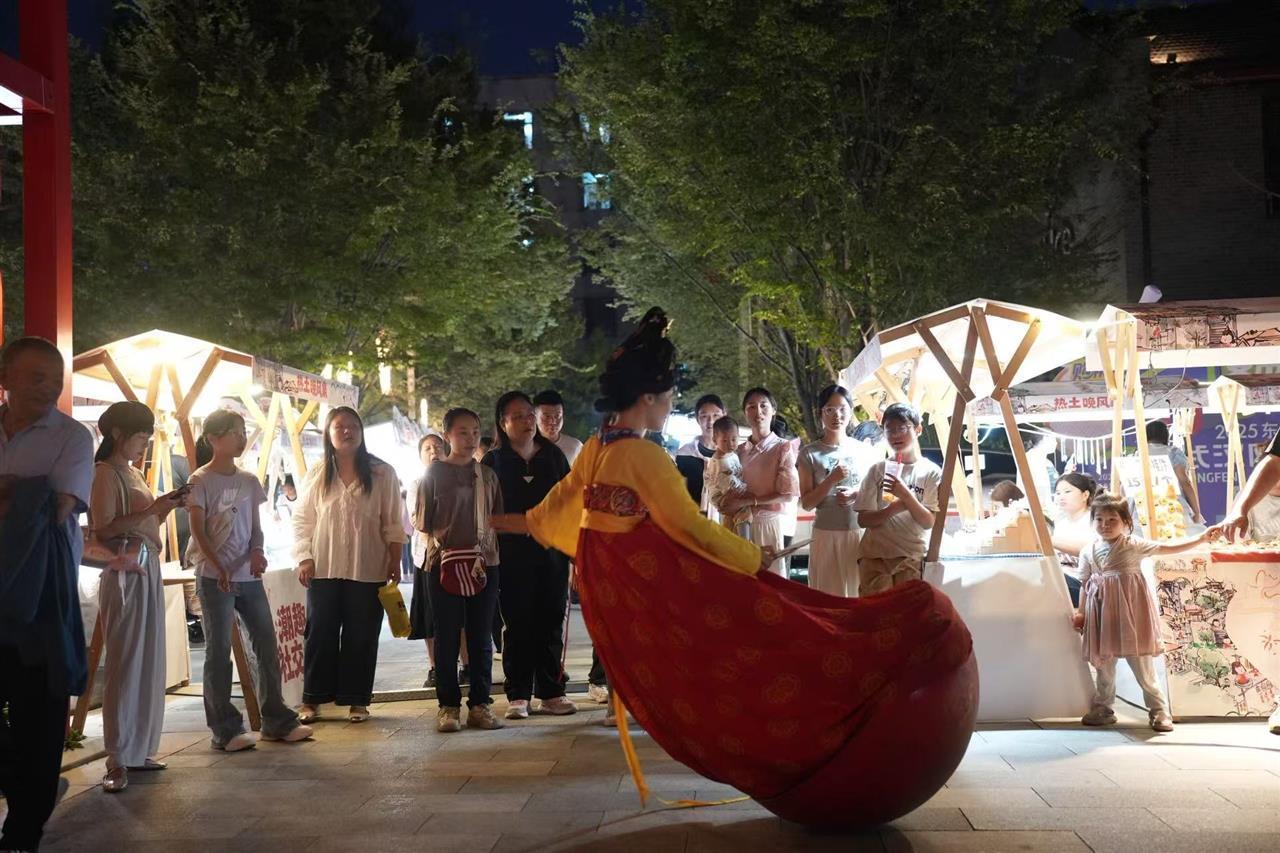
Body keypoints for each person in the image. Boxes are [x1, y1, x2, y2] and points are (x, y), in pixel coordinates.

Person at [487, 308, 976, 827]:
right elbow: (690, 528)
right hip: (653, 581)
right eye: (668, 394)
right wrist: (749, 558)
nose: (671, 403)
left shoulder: (597, 446)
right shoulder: (645, 457)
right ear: (648, 398)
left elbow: (560, 505)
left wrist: (515, 521)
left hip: (616, 586)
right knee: (763, 635)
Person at [0, 337, 94, 849]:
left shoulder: (72, 436)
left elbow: (58, 509)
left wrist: (19, 495)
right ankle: (29, 788)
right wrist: (21, 492)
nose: (47, 387)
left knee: (39, 715)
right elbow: (31, 502)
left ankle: (22, 831)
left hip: (41, 597)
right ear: (5, 379)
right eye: (36, 377)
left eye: (54, 380)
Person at [186, 410, 312, 752]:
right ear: (213, 439)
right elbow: (197, 530)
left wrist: (257, 550)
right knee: (218, 652)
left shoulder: (248, 480)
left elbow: (256, 526)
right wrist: (219, 566)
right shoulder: (200, 480)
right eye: (234, 432)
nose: (242, 438)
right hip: (214, 578)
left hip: (249, 575)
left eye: (243, 431)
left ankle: (277, 720)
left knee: (266, 643)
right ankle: (224, 729)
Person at [90, 401, 185, 793]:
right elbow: (104, 528)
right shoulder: (105, 472)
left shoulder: (130, 472)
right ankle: (117, 757)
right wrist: (156, 507)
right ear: (118, 433)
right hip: (125, 568)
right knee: (126, 662)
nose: (145, 442)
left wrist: (163, 509)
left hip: (145, 564)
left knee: (148, 660)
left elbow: (145, 521)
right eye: (140, 435)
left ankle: (138, 748)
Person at [293, 406, 406, 725]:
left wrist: (394, 559)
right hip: (324, 568)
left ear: (361, 431)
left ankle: (358, 700)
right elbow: (302, 519)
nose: (347, 431)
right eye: (339, 426)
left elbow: (393, 521)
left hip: (368, 568)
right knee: (319, 633)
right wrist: (304, 556)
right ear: (328, 434)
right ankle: (313, 699)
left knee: (362, 634)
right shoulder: (318, 472)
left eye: (353, 425)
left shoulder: (382, 472)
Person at [1072, 493, 1211, 732]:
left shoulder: (1133, 545)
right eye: (1099, 519)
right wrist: (1082, 613)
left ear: (1125, 522)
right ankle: (1103, 708)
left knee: (1143, 668)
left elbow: (1167, 548)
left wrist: (1201, 538)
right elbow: (1085, 583)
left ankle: (1159, 711)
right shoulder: (1088, 550)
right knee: (1104, 667)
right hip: (1101, 616)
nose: (1105, 525)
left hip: (1131, 616)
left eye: (1112, 520)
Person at [485, 392, 576, 720]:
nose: (527, 421)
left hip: (552, 553)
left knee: (551, 620)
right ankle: (518, 694)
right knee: (517, 622)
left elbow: (570, 503)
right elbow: (486, 512)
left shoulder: (553, 456)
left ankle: (551, 693)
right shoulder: (493, 462)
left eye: (528, 415)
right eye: (518, 416)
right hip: (510, 556)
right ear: (502, 422)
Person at [416, 408, 505, 733]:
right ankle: (448, 706)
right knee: (447, 635)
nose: (470, 438)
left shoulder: (487, 475)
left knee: (481, 636)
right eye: (462, 432)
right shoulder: (433, 474)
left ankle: (480, 705)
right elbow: (422, 522)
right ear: (447, 436)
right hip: (442, 563)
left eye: (475, 431)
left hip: (484, 563)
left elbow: (497, 518)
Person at [798, 385, 877, 597]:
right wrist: (831, 479)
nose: (837, 415)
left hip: (858, 533)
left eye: (842, 409)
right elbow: (807, 503)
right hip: (825, 535)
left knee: (858, 594)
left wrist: (855, 494)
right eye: (830, 409)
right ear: (820, 414)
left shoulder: (865, 451)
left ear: (850, 411)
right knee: (827, 597)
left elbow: (876, 492)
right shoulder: (809, 453)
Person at [855, 402, 943, 594]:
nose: (895, 435)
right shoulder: (877, 470)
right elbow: (863, 519)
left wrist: (906, 496)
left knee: (907, 610)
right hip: (874, 556)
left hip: (911, 557)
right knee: (876, 611)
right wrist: (893, 508)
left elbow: (928, 522)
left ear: (918, 429)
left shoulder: (930, 472)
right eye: (889, 429)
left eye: (902, 428)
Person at [721, 388, 799, 575]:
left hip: (767, 525)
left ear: (773, 410)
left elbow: (787, 495)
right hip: (739, 526)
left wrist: (749, 501)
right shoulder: (738, 451)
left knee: (769, 581)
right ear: (745, 412)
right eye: (751, 407)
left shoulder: (783, 448)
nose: (758, 412)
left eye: (764, 406)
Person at [407, 433, 447, 687]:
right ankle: (435, 667)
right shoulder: (416, 484)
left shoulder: (459, 477)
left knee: (459, 617)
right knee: (429, 616)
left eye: (438, 447)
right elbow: (418, 521)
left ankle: (465, 665)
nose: (434, 452)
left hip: (457, 557)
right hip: (427, 559)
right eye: (428, 448)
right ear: (421, 456)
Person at [1051, 472, 1099, 608]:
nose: (1061, 497)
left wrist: (1050, 541)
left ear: (1085, 495)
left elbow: (1089, 551)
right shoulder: (1061, 524)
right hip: (1062, 578)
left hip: (1085, 585)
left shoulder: (1096, 520)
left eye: (1067, 492)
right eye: (1058, 493)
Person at [675, 394, 726, 518]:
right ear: (697, 419)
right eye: (704, 416)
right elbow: (679, 494)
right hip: (692, 520)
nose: (711, 422)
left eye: (716, 415)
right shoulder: (685, 454)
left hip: (725, 522)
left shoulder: (734, 455)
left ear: (724, 416)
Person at [1146, 420, 1204, 524]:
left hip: (1144, 509)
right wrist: (1196, 512)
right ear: (1165, 435)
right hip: (1172, 506)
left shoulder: (1136, 455)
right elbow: (1185, 482)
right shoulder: (1173, 452)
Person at [705, 416, 751, 538]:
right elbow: (727, 483)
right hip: (721, 495)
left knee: (732, 519)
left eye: (734, 439)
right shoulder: (719, 462)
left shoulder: (731, 454)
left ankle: (736, 539)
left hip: (728, 491)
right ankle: (744, 540)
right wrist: (744, 490)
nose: (730, 444)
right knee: (743, 509)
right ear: (715, 440)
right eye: (725, 440)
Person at [532, 390, 583, 466]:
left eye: (557, 416)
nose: (553, 421)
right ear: (534, 417)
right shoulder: (526, 447)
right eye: (547, 416)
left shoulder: (575, 447)